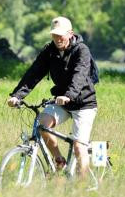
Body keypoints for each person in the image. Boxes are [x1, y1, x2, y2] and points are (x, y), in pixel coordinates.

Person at [7, 16, 97, 178]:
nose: (57, 39)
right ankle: (59, 160)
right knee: (42, 124)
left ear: (70, 34)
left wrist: (68, 95)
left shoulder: (82, 50)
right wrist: (17, 95)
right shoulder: (49, 51)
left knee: (78, 147)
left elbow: (80, 75)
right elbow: (33, 73)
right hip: (62, 102)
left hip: (84, 104)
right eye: (54, 35)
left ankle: (81, 190)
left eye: (60, 35)